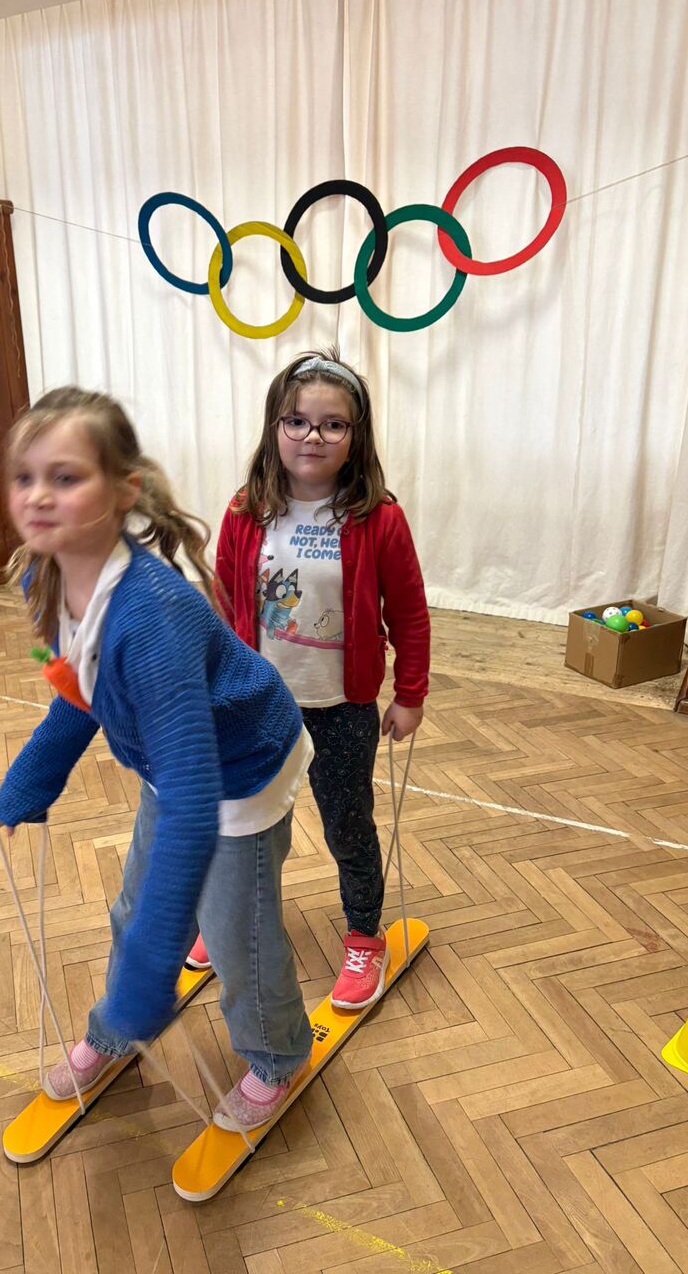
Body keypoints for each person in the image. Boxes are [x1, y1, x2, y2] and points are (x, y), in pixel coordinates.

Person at [0, 386, 314, 1131]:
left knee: (236, 939)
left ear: (123, 490)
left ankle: (277, 1056)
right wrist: (34, 777)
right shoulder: (45, 575)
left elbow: (196, 807)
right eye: (23, 477)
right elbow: (79, 688)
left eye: (66, 477)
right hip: (176, 765)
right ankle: (114, 1032)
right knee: (134, 910)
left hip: (239, 771)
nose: (38, 496)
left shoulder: (151, 618)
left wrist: (149, 976)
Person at [187, 350, 430, 1010]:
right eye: (296, 421)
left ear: (356, 437)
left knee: (347, 827)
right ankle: (228, 919)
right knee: (244, 825)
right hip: (257, 704)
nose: (312, 437)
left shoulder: (378, 518)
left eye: (332, 424)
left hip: (340, 707)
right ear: (275, 427)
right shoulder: (247, 510)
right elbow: (224, 602)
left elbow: (409, 611)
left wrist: (410, 694)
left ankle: (364, 937)